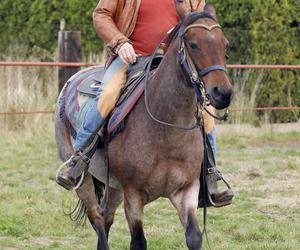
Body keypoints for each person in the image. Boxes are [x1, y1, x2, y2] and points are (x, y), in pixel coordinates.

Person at [56, 0, 233, 205]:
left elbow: (199, 25)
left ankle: (210, 175)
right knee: (108, 93)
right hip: (131, 60)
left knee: (205, 108)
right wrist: (119, 42)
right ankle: (79, 160)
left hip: (173, 65)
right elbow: (101, 14)